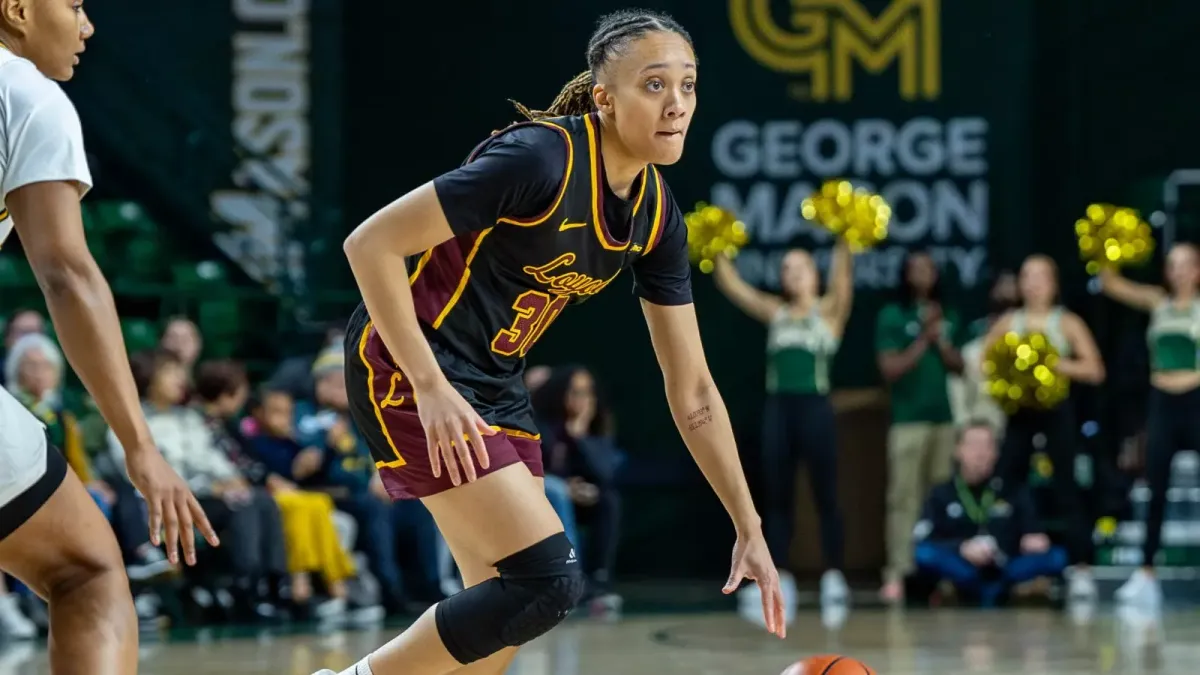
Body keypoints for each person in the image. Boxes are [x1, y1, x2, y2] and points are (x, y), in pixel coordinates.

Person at [331, 9, 782, 675]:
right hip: (409, 363)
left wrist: (749, 524)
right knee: (547, 578)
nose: (676, 105)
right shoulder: (541, 157)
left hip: (495, 383)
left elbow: (694, 394)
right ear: (605, 97)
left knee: (503, 618)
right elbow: (369, 244)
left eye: (687, 85)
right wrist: (429, 385)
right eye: (654, 85)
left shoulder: (657, 216)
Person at [0, 7, 216, 674]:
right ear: (17, 10)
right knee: (87, 571)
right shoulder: (26, 95)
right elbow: (64, 273)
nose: (87, 25)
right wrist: (140, 445)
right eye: (73, 4)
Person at [712, 239, 853, 612]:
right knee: (777, 495)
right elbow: (735, 289)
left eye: (800, 268)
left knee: (826, 493)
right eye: (786, 269)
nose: (791, 274)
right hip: (779, 410)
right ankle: (781, 575)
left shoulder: (829, 314)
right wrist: (717, 247)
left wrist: (843, 240)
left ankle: (834, 575)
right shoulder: (775, 312)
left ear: (814, 275)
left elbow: (842, 284)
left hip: (816, 408)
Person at [980, 254, 1106, 602]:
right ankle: (998, 556)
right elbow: (984, 360)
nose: (1033, 283)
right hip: (1020, 411)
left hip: (1056, 411)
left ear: (1053, 283)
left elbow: (1095, 369)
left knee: (1067, 487)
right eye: (1027, 276)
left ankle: (1081, 568)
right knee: (1006, 483)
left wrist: (1049, 363)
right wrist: (1010, 373)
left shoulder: (1066, 322)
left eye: (1040, 276)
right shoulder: (1009, 321)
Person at [1099, 243, 1200, 608]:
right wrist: (1110, 243)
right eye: (1172, 265)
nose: (1179, 272)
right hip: (1163, 400)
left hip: (1197, 397)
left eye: (1186, 265)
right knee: (1156, 488)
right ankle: (1146, 573)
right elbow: (1110, 283)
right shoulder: (1158, 303)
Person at [874, 250, 964, 604]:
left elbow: (959, 366)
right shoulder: (893, 316)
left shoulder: (948, 315)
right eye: (916, 269)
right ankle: (897, 572)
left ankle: (942, 577)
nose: (923, 275)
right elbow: (890, 369)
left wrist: (940, 338)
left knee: (941, 500)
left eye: (928, 269)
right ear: (905, 275)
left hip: (944, 419)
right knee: (903, 499)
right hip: (908, 421)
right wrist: (923, 339)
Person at [913, 420, 1067, 606]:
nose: (981, 454)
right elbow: (924, 537)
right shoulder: (942, 493)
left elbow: (1033, 532)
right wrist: (961, 547)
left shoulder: (1012, 490)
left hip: (1006, 566)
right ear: (958, 450)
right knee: (924, 553)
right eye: (974, 445)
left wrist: (1033, 539)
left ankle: (1009, 590)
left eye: (987, 446)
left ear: (996, 453)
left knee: (1058, 556)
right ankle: (958, 589)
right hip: (963, 566)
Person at [531, 365, 623, 613]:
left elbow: (604, 473)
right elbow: (534, 468)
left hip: (577, 500)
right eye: (576, 392)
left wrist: (580, 433)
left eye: (588, 392)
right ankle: (570, 581)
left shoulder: (597, 425)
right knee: (557, 492)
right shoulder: (541, 423)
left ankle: (599, 578)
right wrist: (565, 485)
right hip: (542, 497)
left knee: (607, 500)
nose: (583, 399)